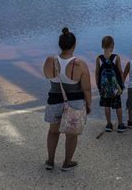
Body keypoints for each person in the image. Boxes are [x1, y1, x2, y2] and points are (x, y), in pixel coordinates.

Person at [42, 27, 91, 171]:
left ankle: (50, 161)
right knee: (71, 134)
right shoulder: (79, 64)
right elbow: (87, 88)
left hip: (54, 100)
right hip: (75, 103)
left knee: (53, 132)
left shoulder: (50, 60)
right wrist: (88, 104)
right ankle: (67, 163)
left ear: (60, 44)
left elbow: (47, 76)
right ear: (74, 45)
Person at [95, 36, 128, 133]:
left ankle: (109, 124)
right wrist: (122, 83)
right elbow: (121, 72)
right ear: (112, 45)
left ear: (102, 46)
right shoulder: (116, 57)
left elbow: (97, 73)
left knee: (107, 106)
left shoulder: (99, 58)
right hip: (115, 88)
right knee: (118, 106)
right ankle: (120, 125)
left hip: (104, 88)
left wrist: (98, 85)